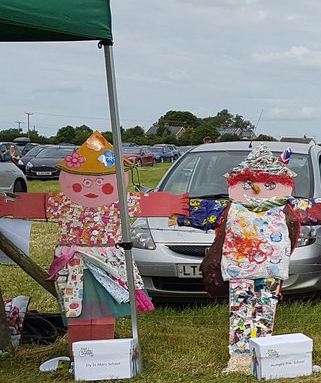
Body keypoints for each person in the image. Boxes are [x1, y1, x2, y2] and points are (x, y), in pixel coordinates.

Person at [0, 131, 187, 351]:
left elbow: (157, 203)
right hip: (74, 264)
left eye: (100, 182)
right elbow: (24, 204)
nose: (91, 188)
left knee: (105, 308)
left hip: (108, 262)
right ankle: (80, 352)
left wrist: (179, 206)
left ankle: (102, 350)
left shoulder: (122, 202)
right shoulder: (62, 202)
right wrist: (6, 205)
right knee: (77, 308)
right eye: (83, 182)